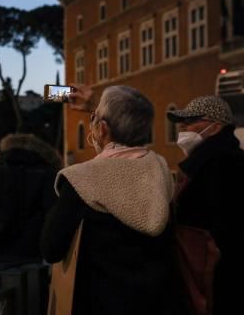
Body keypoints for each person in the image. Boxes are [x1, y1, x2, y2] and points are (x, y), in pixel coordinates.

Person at [40, 85, 177, 315]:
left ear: (101, 129)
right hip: (157, 303)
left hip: (98, 304)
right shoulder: (161, 169)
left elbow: (51, 248)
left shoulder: (80, 179)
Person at [167, 95, 244, 315]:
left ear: (216, 126)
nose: (183, 126)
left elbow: (227, 227)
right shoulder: (209, 160)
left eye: (192, 120)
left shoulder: (223, 163)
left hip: (215, 275)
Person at [0, 133, 62, 289]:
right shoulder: (47, 174)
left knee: (10, 300)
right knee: (28, 303)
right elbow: (53, 214)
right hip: (29, 253)